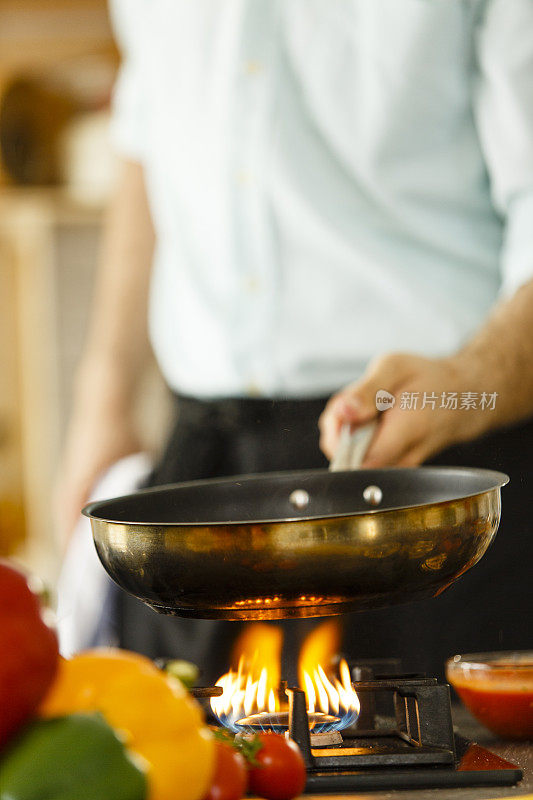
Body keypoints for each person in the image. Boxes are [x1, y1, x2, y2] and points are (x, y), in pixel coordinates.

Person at [57, 0, 533, 682]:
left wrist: (471, 378)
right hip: (201, 479)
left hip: (437, 472)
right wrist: (101, 399)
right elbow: (152, 127)